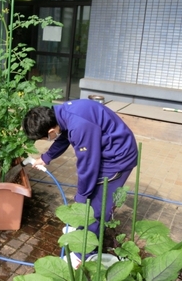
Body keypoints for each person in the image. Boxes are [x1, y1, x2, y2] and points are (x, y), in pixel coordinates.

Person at [23, 99, 138, 264]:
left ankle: (82, 255)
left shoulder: (79, 125)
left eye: (45, 137)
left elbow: (88, 166)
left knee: (97, 208)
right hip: (109, 147)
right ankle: (82, 229)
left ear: (50, 130)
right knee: (89, 198)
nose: (47, 139)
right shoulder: (61, 114)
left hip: (117, 158)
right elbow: (64, 136)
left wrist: (82, 197)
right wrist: (46, 157)